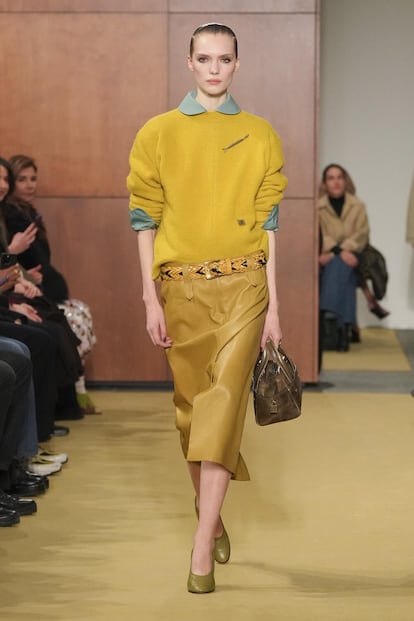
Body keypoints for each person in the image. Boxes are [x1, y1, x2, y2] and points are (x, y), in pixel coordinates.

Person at [127, 23, 287, 593]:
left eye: (224, 59)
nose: (214, 68)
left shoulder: (261, 134)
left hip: (245, 286)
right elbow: (144, 219)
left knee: (221, 409)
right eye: (204, 58)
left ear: (237, 64)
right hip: (181, 290)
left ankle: (200, 549)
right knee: (191, 415)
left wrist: (273, 307)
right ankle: (212, 515)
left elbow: (269, 228)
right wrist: (149, 296)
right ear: (189, 63)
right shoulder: (157, 133)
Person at [6, 155, 99, 415]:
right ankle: (67, 402)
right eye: (22, 179)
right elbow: (14, 262)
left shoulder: (28, 214)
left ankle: (76, 395)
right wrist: (24, 274)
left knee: (80, 313)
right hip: (19, 294)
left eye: (33, 179)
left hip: (36, 289)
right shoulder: (12, 217)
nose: (29, 185)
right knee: (68, 321)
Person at [318, 164, 389, 351]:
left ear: (345, 181)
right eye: (331, 178)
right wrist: (339, 252)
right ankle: (343, 328)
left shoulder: (357, 205)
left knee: (339, 264)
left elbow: (361, 235)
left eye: (339, 177)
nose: (336, 182)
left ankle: (330, 319)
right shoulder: (317, 207)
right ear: (324, 183)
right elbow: (320, 235)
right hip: (330, 254)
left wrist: (339, 251)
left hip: (354, 253)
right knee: (343, 268)